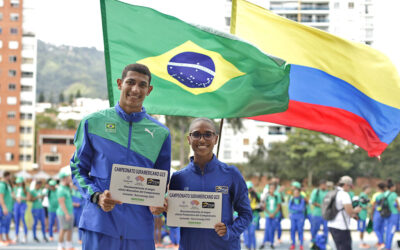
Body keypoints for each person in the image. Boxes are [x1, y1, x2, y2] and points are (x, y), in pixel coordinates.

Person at [70, 63, 171, 250]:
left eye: (142, 85)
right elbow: (77, 169)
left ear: (149, 90)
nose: (135, 89)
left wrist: (159, 202)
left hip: (139, 230)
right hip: (100, 225)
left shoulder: (161, 133)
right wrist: (97, 196)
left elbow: (162, 182)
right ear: (119, 84)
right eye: (130, 82)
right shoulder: (92, 123)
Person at [168, 118, 252, 250]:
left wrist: (229, 231)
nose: (202, 140)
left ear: (216, 139)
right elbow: (173, 223)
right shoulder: (179, 178)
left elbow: (246, 214)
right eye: (196, 134)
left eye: (208, 134)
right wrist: (164, 210)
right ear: (189, 139)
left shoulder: (231, 174)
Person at [327, 176, 362, 250]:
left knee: (339, 247)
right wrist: (356, 210)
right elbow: (349, 211)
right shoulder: (344, 194)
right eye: (349, 186)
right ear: (346, 185)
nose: (349, 189)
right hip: (341, 226)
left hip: (331, 224)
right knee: (345, 247)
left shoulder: (333, 192)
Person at [260, 183, 282, 249]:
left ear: (274, 189)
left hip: (275, 215)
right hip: (268, 215)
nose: (271, 189)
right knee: (267, 229)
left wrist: (273, 214)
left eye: (273, 188)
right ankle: (264, 242)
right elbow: (264, 206)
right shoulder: (267, 196)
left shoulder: (277, 195)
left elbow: (278, 206)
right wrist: (269, 214)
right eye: (270, 188)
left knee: (272, 229)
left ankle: (272, 243)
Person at [57, 172, 74, 250]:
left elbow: (72, 187)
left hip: (70, 212)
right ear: (64, 179)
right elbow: (61, 203)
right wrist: (66, 214)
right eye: (68, 178)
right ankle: (60, 246)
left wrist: (70, 185)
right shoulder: (60, 189)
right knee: (63, 229)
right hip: (63, 213)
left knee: (70, 229)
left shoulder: (67, 187)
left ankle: (68, 246)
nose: (69, 179)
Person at [310, 180, 328, 247]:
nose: (324, 186)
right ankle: (313, 243)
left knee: (326, 230)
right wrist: (321, 206)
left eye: (325, 185)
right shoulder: (316, 191)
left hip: (326, 215)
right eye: (323, 185)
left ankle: (325, 244)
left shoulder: (328, 192)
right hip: (317, 214)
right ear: (320, 185)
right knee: (315, 229)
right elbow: (312, 201)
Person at [382, 179, 399, 250]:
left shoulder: (385, 193)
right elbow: (397, 205)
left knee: (387, 231)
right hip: (394, 214)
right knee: (392, 231)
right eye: (394, 187)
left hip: (386, 214)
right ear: (391, 187)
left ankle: (386, 245)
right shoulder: (393, 194)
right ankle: (388, 247)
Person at [244, 181, 261, 250]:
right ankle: (248, 246)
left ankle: (254, 247)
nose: (249, 190)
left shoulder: (256, 195)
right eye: (248, 188)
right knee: (246, 232)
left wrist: (255, 192)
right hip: (246, 216)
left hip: (254, 216)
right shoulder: (244, 195)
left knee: (252, 232)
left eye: (250, 188)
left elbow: (260, 203)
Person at [289, 186, 306, 250]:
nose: (295, 194)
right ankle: (293, 244)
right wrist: (296, 209)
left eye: (297, 193)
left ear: (299, 193)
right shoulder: (292, 199)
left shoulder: (301, 199)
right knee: (292, 230)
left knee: (300, 231)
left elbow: (301, 208)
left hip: (300, 217)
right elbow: (289, 208)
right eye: (294, 193)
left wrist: (294, 209)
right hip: (293, 217)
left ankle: (301, 245)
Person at [12, 176, 28, 243]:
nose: (19, 183)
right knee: (16, 221)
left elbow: (28, 198)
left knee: (23, 220)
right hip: (16, 205)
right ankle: (16, 236)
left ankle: (25, 236)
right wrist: (16, 198)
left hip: (23, 205)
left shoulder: (26, 188)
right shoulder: (15, 188)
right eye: (18, 182)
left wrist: (22, 198)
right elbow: (13, 195)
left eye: (20, 182)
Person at [371, 182, 386, 249]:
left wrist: (371, 214)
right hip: (385, 214)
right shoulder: (386, 194)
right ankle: (380, 242)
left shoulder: (376, 195)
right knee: (382, 229)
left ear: (378, 188)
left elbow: (373, 205)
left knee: (376, 228)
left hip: (377, 213)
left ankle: (381, 242)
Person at [0, 171, 13, 246]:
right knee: (2, 223)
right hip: (3, 208)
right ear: (7, 176)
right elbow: (0, 196)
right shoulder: (2, 185)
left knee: (6, 223)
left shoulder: (7, 184)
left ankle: (6, 238)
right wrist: (4, 207)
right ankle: (0, 239)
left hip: (8, 207)